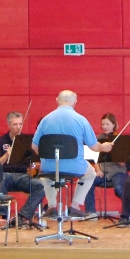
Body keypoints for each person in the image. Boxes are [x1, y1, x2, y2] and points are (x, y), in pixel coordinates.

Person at [30, 90, 112, 218]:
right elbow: (94, 146)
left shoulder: (45, 120)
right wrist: (104, 147)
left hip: (49, 166)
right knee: (91, 174)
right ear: (75, 103)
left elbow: (34, 146)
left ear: (57, 100)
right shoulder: (81, 120)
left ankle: (52, 205)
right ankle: (75, 205)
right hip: (74, 166)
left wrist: (46, 158)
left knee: (46, 176)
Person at [0, 111, 45, 227]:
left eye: (20, 124)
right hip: (5, 175)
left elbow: (36, 162)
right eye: (15, 124)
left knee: (41, 185)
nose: (18, 127)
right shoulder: (1, 141)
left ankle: (22, 216)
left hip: (24, 176)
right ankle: (4, 217)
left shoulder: (28, 141)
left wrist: (34, 170)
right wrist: (7, 155)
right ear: (9, 125)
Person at [84, 113, 126, 218]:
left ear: (113, 125)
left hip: (118, 171)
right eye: (103, 124)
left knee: (119, 188)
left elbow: (122, 163)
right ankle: (91, 212)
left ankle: (127, 209)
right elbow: (95, 158)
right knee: (88, 182)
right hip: (103, 172)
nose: (105, 127)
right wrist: (98, 170)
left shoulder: (120, 139)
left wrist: (115, 152)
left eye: (107, 124)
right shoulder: (99, 138)